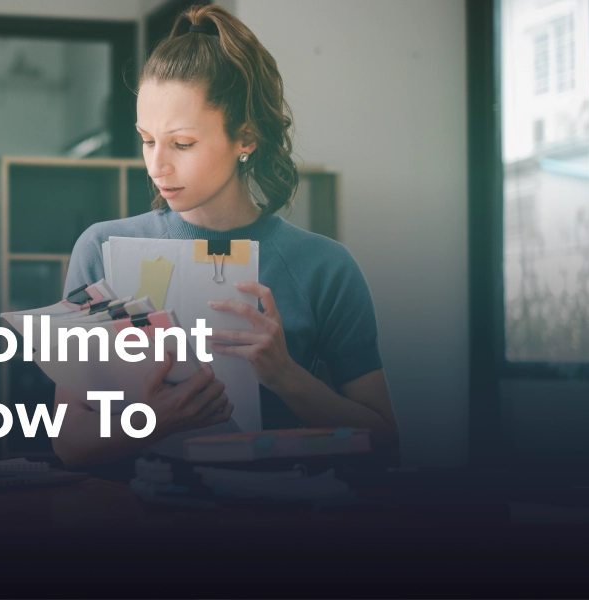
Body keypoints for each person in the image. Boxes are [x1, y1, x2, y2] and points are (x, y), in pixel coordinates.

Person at [51, 5, 398, 468]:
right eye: (147, 139)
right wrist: (151, 421)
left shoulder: (325, 267)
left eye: (183, 143)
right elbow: (67, 437)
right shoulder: (102, 251)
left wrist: (286, 376)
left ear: (246, 139)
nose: (157, 166)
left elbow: (384, 440)